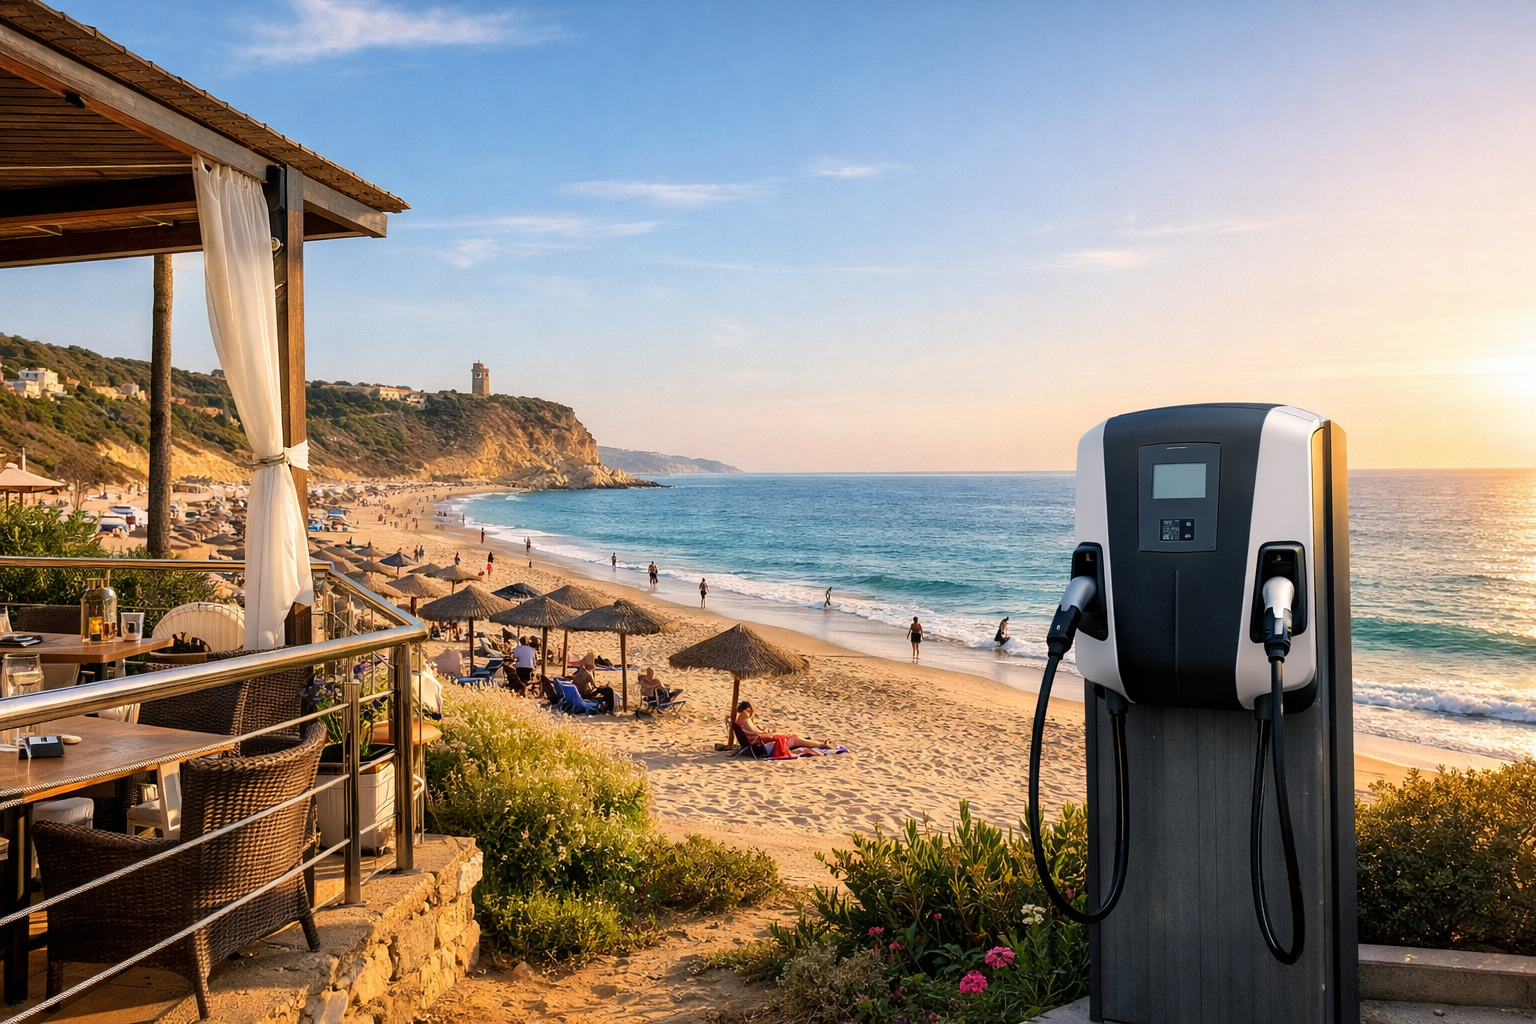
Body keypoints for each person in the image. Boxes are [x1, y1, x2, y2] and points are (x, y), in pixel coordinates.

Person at [733, 701, 832, 754]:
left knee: (793, 736)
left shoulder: (742, 719)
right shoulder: (745, 718)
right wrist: (767, 733)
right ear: (749, 708)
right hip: (761, 744)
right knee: (795, 738)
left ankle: (812, 741)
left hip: (759, 742)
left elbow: (752, 733)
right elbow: (754, 734)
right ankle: (821, 745)